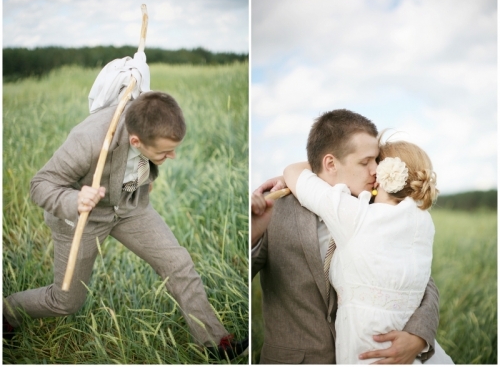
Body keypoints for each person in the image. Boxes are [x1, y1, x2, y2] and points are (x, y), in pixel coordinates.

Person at [3, 91, 247, 361]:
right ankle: (7, 311)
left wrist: (145, 174)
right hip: (83, 217)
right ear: (135, 140)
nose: (173, 156)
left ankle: (216, 344)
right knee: (66, 302)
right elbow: (39, 185)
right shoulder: (88, 140)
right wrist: (76, 198)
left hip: (130, 206)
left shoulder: (145, 114)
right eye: (165, 152)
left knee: (178, 263)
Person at [251, 109, 439, 364]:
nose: (376, 171)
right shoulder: (274, 210)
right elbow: (240, 278)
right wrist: (250, 234)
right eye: (366, 162)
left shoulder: (379, 209)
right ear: (330, 163)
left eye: (378, 162)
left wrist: (419, 336)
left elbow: (421, 281)